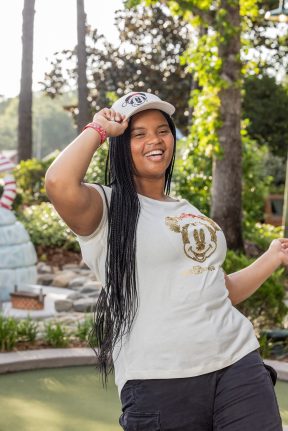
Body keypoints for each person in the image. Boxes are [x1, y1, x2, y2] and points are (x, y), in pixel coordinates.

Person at [45, 91, 288, 431]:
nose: (155, 140)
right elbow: (58, 182)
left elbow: (219, 289)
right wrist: (99, 128)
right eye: (138, 134)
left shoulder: (187, 209)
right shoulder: (105, 207)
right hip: (160, 381)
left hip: (237, 362)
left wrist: (273, 255)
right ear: (120, 144)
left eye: (162, 130)